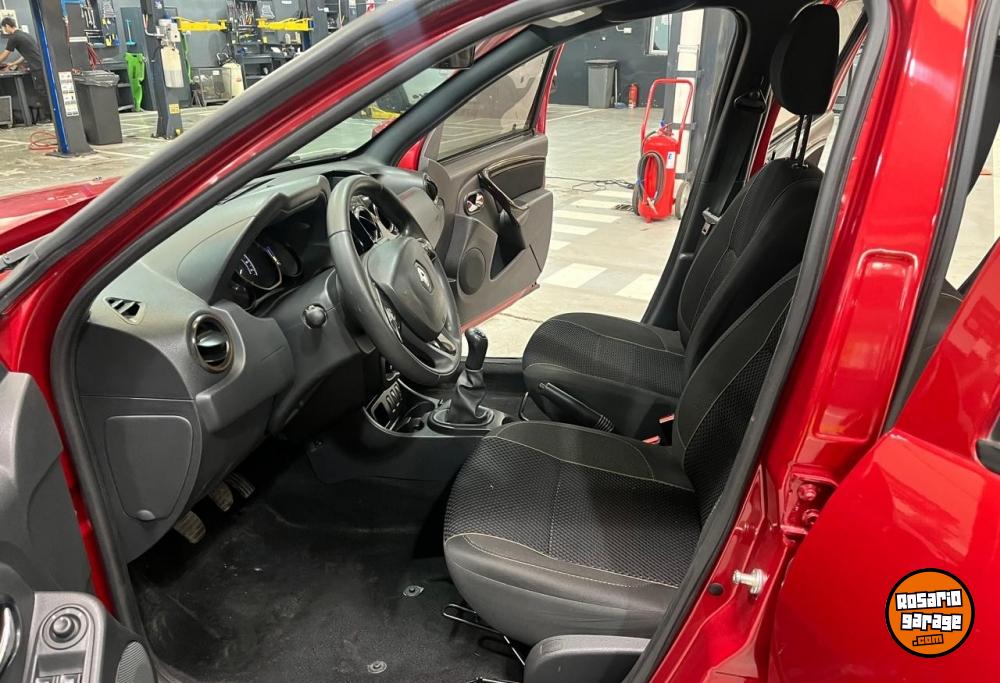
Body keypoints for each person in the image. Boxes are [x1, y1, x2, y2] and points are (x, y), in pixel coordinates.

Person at [0, 17, 50, 119]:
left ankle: (49, 116)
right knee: (46, 90)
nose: (4, 30)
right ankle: (51, 116)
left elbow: (5, 54)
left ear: (7, 26)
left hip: (36, 67)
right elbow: (25, 55)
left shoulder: (14, 37)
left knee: (42, 92)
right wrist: (13, 64)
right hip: (43, 66)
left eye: (4, 28)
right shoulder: (25, 35)